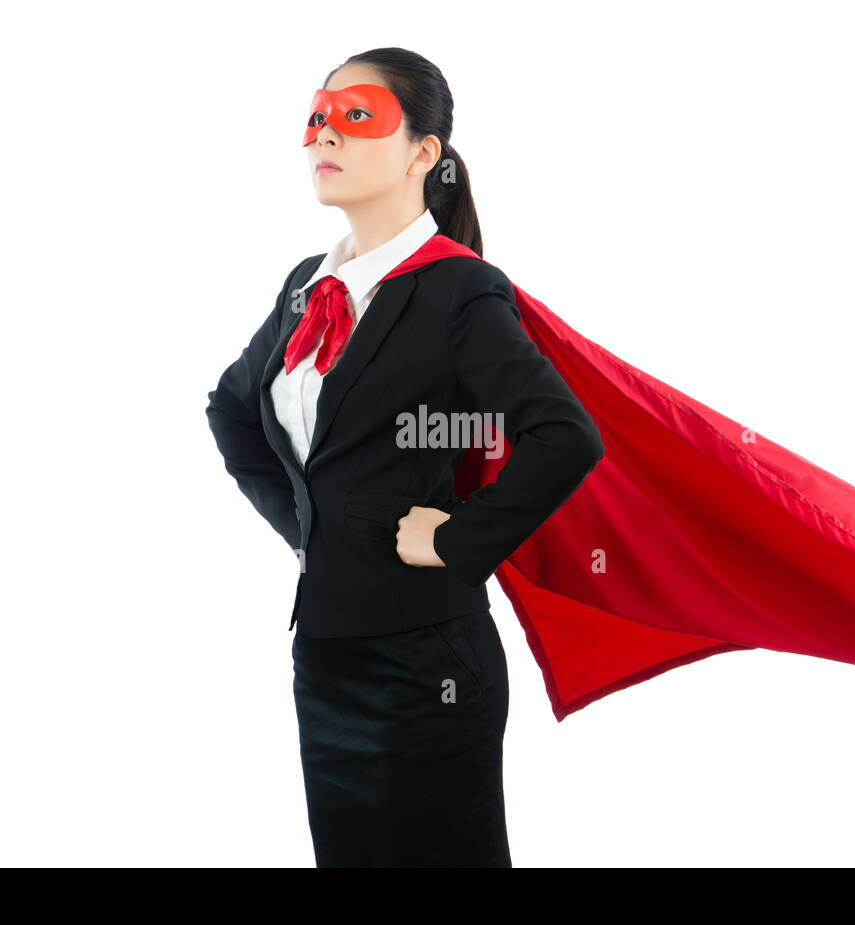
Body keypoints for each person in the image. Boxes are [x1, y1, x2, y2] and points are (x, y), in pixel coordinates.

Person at [205, 48, 603, 867]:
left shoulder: (460, 290)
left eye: (357, 116)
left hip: (426, 667)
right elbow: (232, 410)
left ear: (424, 153)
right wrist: (310, 528)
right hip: (323, 660)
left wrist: (457, 539)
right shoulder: (305, 287)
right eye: (318, 115)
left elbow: (565, 436)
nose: (325, 134)